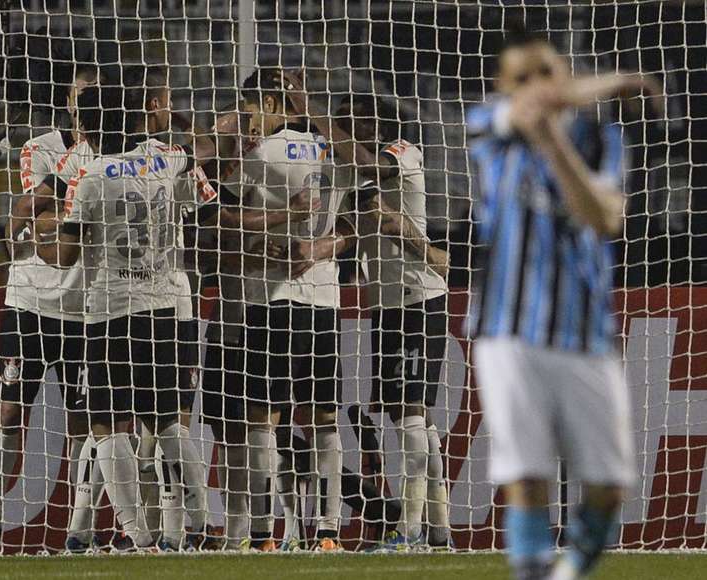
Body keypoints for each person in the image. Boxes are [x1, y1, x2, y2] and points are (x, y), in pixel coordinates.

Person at [466, 24, 659, 580]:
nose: (535, 87)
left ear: (567, 74)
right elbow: (529, 110)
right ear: (502, 88)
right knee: (526, 477)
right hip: (507, 331)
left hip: (585, 334)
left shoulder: (600, 136)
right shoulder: (486, 127)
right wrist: (619, 81)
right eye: (520, 78)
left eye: (546, 72)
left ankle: (567, 572)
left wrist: (556, 146)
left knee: (608, 486)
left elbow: (605, 218)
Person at [41, 71, 216, 551]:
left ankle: (139, 537)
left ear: (93, 131)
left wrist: (41, 239)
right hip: (163, 307)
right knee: (166, 419)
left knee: (108, 423)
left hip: (111, 310)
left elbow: (67, 255)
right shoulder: (168, 159)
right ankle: (201, 519)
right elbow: (204, 200)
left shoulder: (90, 177)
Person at [282, 75, 452, 549]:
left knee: (412, 416)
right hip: (387, 305)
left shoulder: (402, 153)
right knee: (407, 413)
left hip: (421, 300)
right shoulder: (359, 179)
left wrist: (310, 109)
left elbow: (362, 161)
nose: (338, 130)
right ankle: (438, 529)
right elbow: (351, 228)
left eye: (347, 121)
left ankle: (409, 530)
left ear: (371, 123)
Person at [222, 68, 357, 552]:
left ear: (275, 102)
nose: (248, 117)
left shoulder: (259, 154)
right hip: (324, 300)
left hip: (272, 298)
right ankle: (327, 532)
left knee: (262, 417)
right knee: (323, 417)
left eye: (252, 106)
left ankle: (262, 535)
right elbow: (355, 214)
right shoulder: (332, 150)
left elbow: (224, 216)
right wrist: (326, 245)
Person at [0, 64, 97, 554]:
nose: (88, 104)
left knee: (87, 421)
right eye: (81, 95)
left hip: (88, 306)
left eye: (96, 96)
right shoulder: (41, 147)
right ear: (67, 101)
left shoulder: (117, 151)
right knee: (10, 408)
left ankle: (79, 531)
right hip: (30, 300)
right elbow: (33, 213)